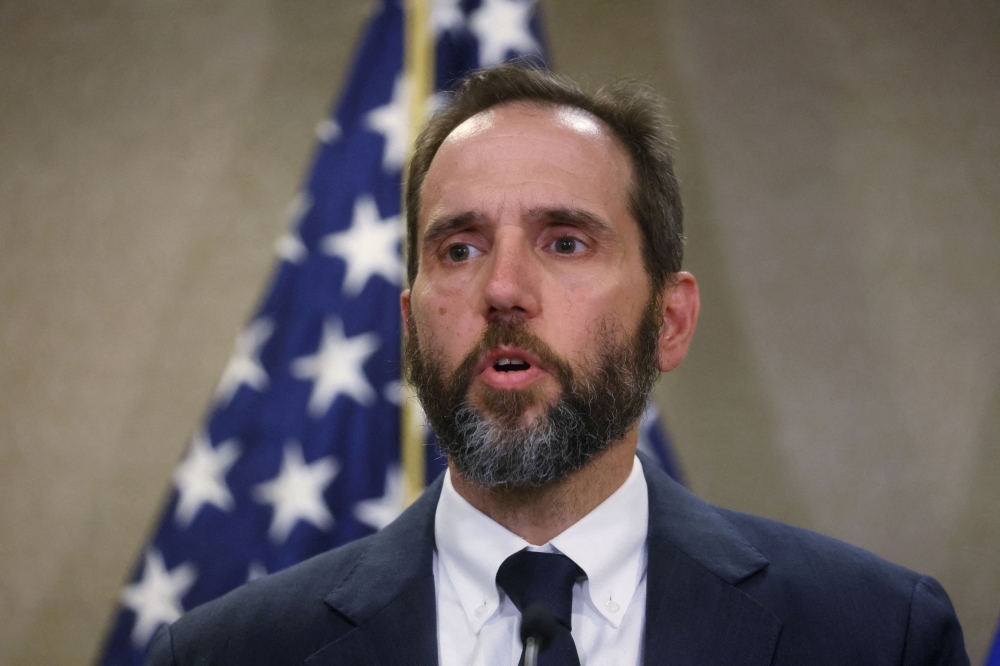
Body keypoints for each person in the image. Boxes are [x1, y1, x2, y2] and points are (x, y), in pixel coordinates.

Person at [146, 64, 968, 666]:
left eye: (565, 241)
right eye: (459, 247)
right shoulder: (227, 654)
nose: (503, 289)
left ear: (669, 322)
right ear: (409, 325)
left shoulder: (877, 636)